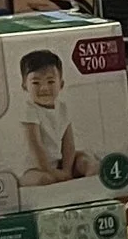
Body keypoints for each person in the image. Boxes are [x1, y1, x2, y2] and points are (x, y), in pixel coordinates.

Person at [16, 46, 89, 183]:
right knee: (45, 179)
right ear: (24, 86)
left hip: (57, 162)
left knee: (86, 159)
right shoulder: (28, 110)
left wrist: (66, 170)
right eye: (36, 83)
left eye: (50, 81)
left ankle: (97, 186)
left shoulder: (63, 108)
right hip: (34, 167)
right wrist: (52, 172)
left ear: (61, 84)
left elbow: (68, 144)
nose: (44, 88)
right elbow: (36, 146)